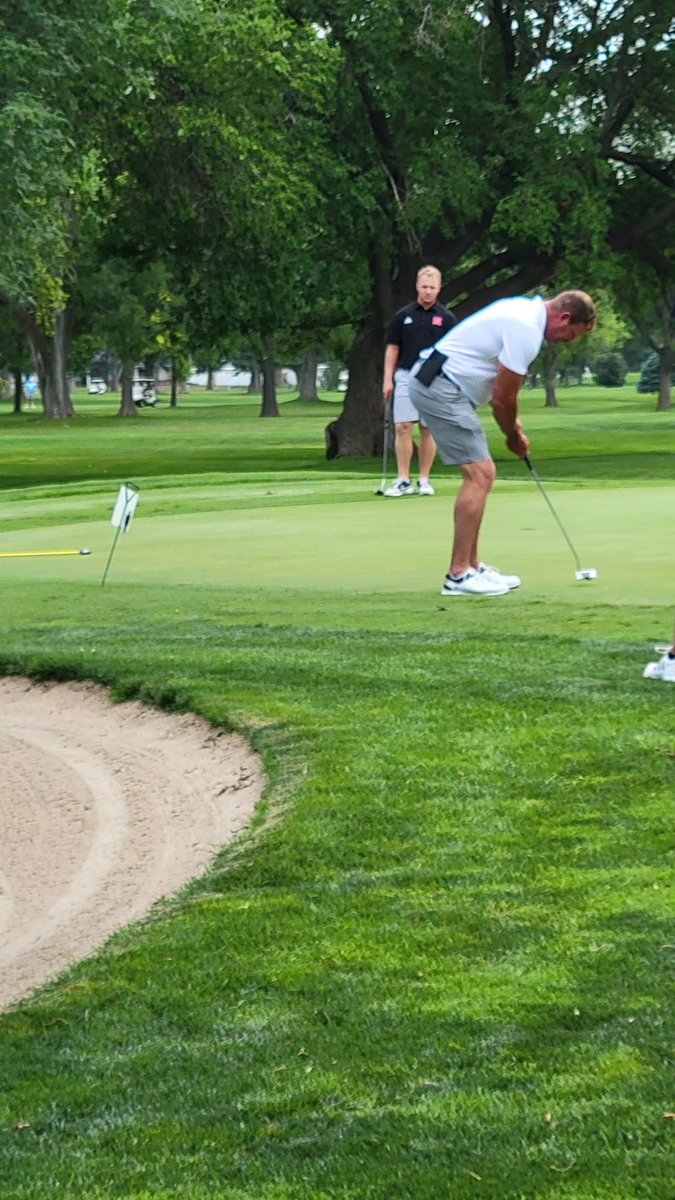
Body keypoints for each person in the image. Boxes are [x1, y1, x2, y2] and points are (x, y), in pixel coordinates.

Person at [408, 290, 597, 595]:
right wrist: (513, 437)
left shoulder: (523, 312)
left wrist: (514, 424)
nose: (567, 341)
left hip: (438, 380)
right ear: (564, 318)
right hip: (440, 387)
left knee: (483, 474)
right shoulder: (526, 329)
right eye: (571, 334)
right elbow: (502, 400)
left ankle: (472, 565)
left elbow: (504, 393)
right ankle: (458, 575)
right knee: (480, 474)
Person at [382, 265, 456, 497]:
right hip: (405, 374)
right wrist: (388, 379)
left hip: (433, 378)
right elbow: (392, 348)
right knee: (402, 426)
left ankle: (424, 479)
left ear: (439, 289)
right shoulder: (403, 316)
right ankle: (403, 479)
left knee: (428, 429)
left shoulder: (446, 318)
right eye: (424, 287)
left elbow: (452, 351)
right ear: (417, 286)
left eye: (432, 288)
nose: (427, 291)